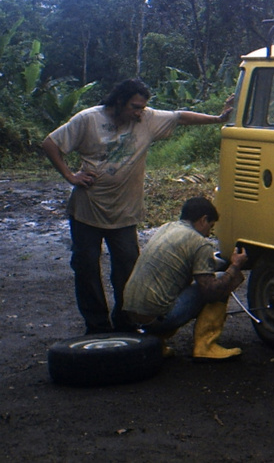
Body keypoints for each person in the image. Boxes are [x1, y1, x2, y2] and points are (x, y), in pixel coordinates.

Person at [41, 78, 233, 334]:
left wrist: (218, 119)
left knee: (128, 269)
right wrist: (70, 176)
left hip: (124, 213)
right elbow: (50, 143)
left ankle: (125, 321)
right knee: (86, 269)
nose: (138, 112)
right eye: (134, 106)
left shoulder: (146, 119)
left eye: (142, 107)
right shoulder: (87, 119)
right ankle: (97, 326)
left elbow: (179, 117)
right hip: (87, 210)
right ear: (119, 101)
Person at [123, 197, 248, 361]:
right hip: (158, 319)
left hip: (132, 313)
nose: (209, 233)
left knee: (168, 287)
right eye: (210, 227)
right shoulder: (199, 243)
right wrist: (235, 266)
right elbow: (211, 291)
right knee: (222, 280)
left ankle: (157, 345)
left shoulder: (167, 228)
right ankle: (206, 347)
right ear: (203, 219)